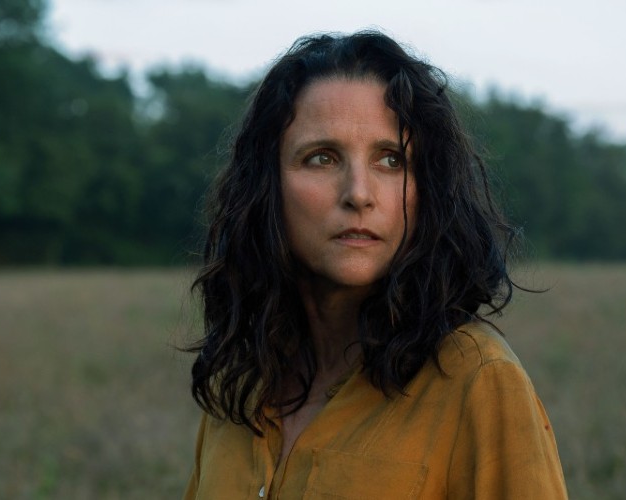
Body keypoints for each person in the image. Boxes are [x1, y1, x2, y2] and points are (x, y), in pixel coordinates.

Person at [183, 30, 566, 499]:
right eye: (321, 158)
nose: (359, 193)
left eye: (391, 160)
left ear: (426, 188)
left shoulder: (478, 379)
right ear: (267, 187)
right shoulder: (239, 381)